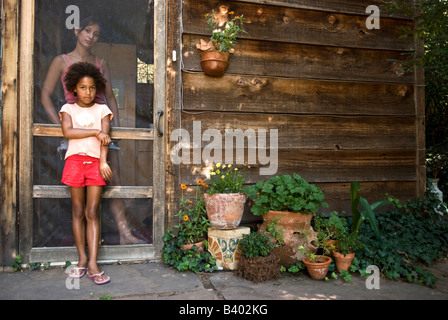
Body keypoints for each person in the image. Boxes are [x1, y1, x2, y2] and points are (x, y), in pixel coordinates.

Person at [41, 16, 142, 244]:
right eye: (87, 30)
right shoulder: (61, 61)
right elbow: (45, 95)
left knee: (114, 179)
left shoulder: (101, 62)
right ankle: (88, 242)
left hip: (102, 127)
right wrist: (59, 125)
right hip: (76, 130)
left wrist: (115, 128)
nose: (91, 37)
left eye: (96, 33)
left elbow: (109, 97)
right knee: (80, 183)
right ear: (77, 30)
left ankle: (125, 233)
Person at [61, 61, 112, 285]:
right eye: (82, 87)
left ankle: (93, 263)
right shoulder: (67, 109)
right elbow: (68, 132)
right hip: (74, 162)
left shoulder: (103, 110)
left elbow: (106, 139)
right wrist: (95, 131)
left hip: (95, 164)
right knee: (78, 210)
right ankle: (81, 259)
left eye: (92, 87)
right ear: (74, 88)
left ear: (97, 88)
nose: (88, 92)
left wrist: (103, 163)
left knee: (92, 211)